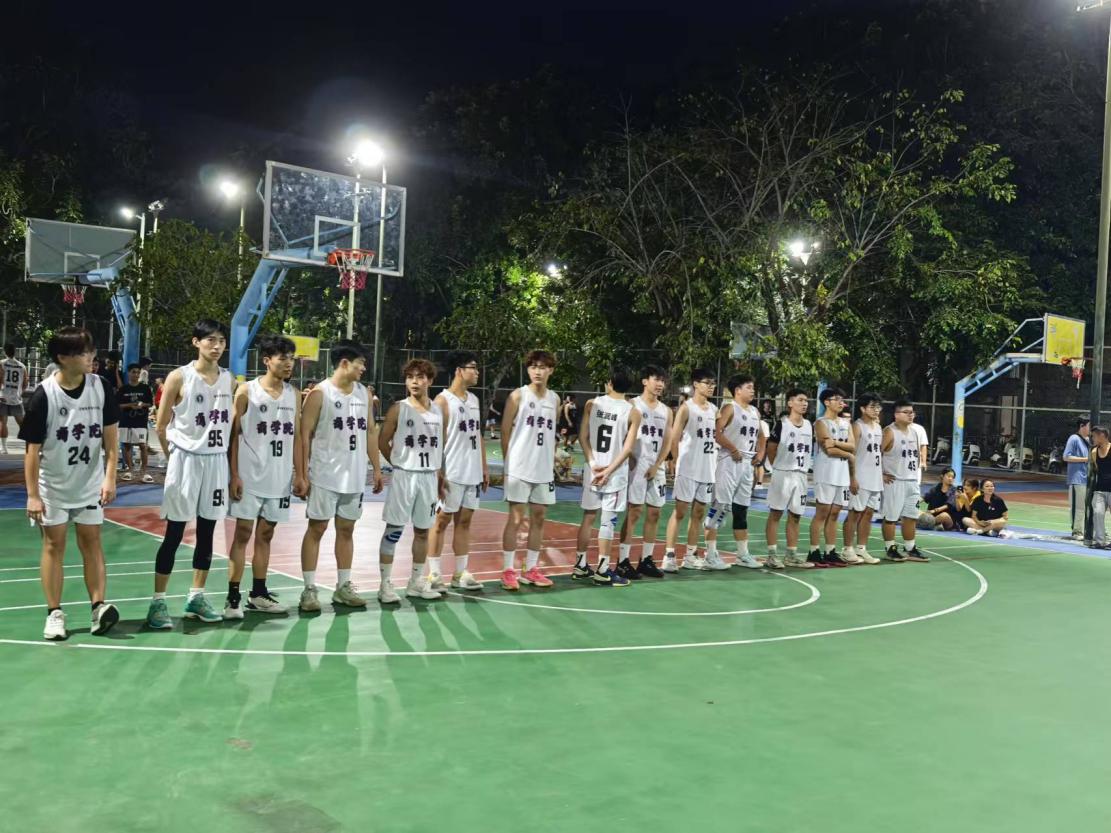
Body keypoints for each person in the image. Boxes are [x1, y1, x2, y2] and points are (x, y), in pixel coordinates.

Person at [20, 327, 120, 640]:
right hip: (54, 487)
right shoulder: (44, 395)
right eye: (83, 352)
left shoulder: (101, 387)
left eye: (91, 350)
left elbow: (111, 440)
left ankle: (98, 608)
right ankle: (54, 613)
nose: (91, 357)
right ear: (63, 357)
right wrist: (33, 495)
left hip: (90, 485)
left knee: (92, 542)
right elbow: (32, 451)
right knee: (54, 546)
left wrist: (110, 477)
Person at [145, 320, 236, 629]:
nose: (217, 345)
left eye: (221, 340)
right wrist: (173, 459)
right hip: (185, 460)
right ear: (196, 342)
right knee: (174, 534)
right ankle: (158, 602)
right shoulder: (179, 377)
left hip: (216, 460)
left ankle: (196, 597)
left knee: (208, 532)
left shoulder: (230, 380)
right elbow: (160, 425)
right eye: (210, 340)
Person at [298, 341, 384, 611]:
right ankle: (309, 590)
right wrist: (302, 474)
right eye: (360, 363)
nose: (363, 368)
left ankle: (343, 586)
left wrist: (376, 467)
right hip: (324, 475)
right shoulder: (319, 394)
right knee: (317, 528)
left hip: (354, 476)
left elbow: (370, 431)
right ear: (345, 363)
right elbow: (304, 436)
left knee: (347, 530)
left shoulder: (364, 394)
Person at [226, 335, 306, 618]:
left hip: (279, 477)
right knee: (243, 534)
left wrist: (300, 474)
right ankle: (232, 598)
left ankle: (258, 594)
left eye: (291, 358)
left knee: (266, 534)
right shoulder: (246, 391)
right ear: (267, 361)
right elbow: (233, 437)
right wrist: (234, 475)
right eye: (282, 358)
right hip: (249, 476)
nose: (288, 363)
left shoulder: (294, 394)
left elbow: (297, 438)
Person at [378, 359, 445, 602]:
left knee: (423, 531)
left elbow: (439, 447)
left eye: (420, 377)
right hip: (404, 476)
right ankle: (385, 585)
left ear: (430, 380)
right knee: (394, 530)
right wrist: (399, 463)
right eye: (410, 377)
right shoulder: (399, 408)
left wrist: (440, 476)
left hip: (428, 477)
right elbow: (382, 441)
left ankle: (415, 582)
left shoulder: (438, 411)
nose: (415, 382)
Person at [572, 365, 641, 585]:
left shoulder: (592, 404)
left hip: (593, 470)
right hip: (614, 474)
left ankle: (580, 565)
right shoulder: (632, 411)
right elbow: (627, 449)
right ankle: (602, 570)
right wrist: (609, 471)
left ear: (609, 383)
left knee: (588, 517)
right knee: (608, 521)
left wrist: (594, 464)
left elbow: (583, 437)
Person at [425, 351, 488, 593]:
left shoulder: (474, 400)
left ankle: (460, 573)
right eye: (473, 367)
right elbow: (436, 441)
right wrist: (438, 472)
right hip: (451, 471)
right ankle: (434, 573)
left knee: (465, 521)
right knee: (441, 521)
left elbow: (477, 435)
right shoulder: (442, 401)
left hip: (472, 471)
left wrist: (483, 466)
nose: (477, 372)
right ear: (459, 371)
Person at [499, 350, 560, 591]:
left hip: (543, 469)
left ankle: (531, 569)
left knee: (539, 518)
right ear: (527, 370)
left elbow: (551, 433)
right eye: (533, 367)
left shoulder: (554, 399)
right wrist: (509, 464)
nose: (537, 371)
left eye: (543, 367)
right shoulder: (518, 396)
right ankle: (508, 570)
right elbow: (505, 431)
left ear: (550, 370)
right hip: (519, 467)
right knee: (515, 518)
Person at [703, 373, 766, 570]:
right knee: (720, 506)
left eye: (753, 387)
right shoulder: (729, 408)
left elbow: (762, 436)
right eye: (749, 387)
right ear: (737, 390)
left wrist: (760, 454)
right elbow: (716, 433)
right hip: (729, 462)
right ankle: (710, 555)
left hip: (747, 464)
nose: (753, 391)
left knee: (741, 509)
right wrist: (732, 448)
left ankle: (742, 554)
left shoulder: (755, 411)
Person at [618, 365, 672, 578]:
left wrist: (658, 465)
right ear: (644, 381)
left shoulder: (666, 411)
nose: (660, 384)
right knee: (634, 512)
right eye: (656, 379)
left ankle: (646, 560)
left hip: (656, 466)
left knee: (655, 512)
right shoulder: (632, 405)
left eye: (662, 380)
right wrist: (630, 458)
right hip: (637, 465)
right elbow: (622, 435)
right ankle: (623, 561)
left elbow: (667, 441)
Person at [662, 368, 718, 571]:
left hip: (707, 468)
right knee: (680, 512)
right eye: (707, 382)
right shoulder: (686, 408)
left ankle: (690, 555)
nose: (711, 386)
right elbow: (674, 438)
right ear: (695, 384)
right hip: (688, 468)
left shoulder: (714, 409)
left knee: (699, 513)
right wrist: (677, 462)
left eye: (713, 383)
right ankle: (669, 556)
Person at [764, 389, 814, 569]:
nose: (804, 403)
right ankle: (771, 555)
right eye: (800, 400)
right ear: (790, 403)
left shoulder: (808, 425)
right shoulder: (782, 424)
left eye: (806, 400)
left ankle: (791, 555)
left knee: (796, 515)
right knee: (776, 514)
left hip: (801, 475)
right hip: (783, 473)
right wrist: (777, 467)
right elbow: (771, 448)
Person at [808, 388, 856, 566]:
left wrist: (836, 443)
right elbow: (828, 450)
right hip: (826, 473)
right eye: (837, 399)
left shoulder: (845, 423)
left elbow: (853, 446)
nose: (841, 402)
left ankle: (830, 551)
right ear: (827, 402)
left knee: (835, 513)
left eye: (842, 399)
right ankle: (814, 551)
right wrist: (847, 452)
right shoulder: (820, 423)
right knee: (822, 512)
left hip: (842, 474)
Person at [880, 400, 928, 562]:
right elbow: (875, 454)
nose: (910, 415)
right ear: (896, 414)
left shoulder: (914, 432)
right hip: (895, 481)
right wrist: (880, 474)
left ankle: (910, 548)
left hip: (912, 480)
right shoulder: (889, 432)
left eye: (912, 412)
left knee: (911, 516)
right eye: (906, 412)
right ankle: (890, 548)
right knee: (891, 517)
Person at [843, 393, 884, 564]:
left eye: (878, 406)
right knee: (854, 513)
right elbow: (851, 454)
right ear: (862, 408)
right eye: (872, 406)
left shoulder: (878, 427)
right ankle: (847, 549)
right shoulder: (857, 427)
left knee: (868, 514)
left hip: (875, 478)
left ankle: (861, 548)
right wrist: (852, 477)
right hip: (861, 477)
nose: (876, 410)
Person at [117, 362, 154, 482]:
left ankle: (144, 472)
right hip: (126, 420)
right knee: (127, 445)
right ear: (128, 373)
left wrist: (142, 405)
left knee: (143, 445)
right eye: (133, 372)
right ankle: (130, 470)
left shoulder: (145, 388)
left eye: (138, 372)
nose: (136, 374)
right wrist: (130, 405)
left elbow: (150, 403)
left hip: (140, 421)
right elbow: (118, 405)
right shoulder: (123, 389)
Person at [1064, 418, 1090, 540]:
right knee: (1077, 506)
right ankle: (1077, 531)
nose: (1090, 429)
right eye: (1089, 426)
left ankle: (1083, 530)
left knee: (1085, 507)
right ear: (1082, 426)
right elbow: (1066, 457)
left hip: (1087, 478)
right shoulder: (1074, 438)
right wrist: (1085, 459)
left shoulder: (1088, 440)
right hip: (1077, 478)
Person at [1, 343, 28, 453]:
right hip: (16, 397)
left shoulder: (1, 364)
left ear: (5, 352)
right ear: (15, 352)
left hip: (3, 397)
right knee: (22, 424)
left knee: (3, 423)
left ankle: (4, 448)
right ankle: (30, 445)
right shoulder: (22, 366)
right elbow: (25, 383)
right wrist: (20, 393)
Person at [1088, 427, 1111, 547]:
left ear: (1102, 435)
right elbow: (1097, 469)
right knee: (1098, 513)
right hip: (1100, 489)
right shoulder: (1093, 452)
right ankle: (1099, 541)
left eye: (1094, 436)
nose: (1092, 438)